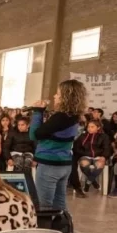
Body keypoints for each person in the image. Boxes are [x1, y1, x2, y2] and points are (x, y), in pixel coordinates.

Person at [29, 80, 83, 210]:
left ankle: (47, 230)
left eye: (58, 94)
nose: (54, 96)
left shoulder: (60, 117)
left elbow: (34, 135)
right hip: (64, 164)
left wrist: (37, 112)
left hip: (50, 165)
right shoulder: (74, 116)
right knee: (59, 203)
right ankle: (64, 229)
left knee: (44, 205)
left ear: (66, 97)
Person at [73, 119, 111, 192]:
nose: (89, 128)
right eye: (88, 127)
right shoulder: (83, 136)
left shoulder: (104, 136)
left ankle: (88, 182)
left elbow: (107, 148)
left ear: (98, 127)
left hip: (99, 156)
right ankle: (93, 182)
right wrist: (84, 153)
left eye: (92, 127)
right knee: (84, 164)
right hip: (85, 156)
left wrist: (103, 156)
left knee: (100, 164)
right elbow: (76, 148)